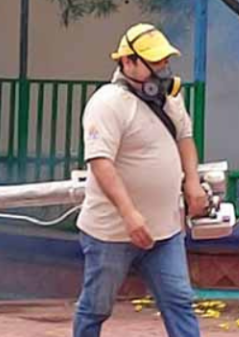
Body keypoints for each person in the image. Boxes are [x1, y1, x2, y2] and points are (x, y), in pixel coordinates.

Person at [73, 23, 208, 337]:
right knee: (96, 307)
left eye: (163, 60)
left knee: (179, 302)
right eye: (154, 61)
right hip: (112, 232)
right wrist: (129, 213)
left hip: (165, 229)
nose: (162, 68)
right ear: (128, 62)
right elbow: (100, 162)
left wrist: (192, 181)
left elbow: (185, 137)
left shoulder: (170, 96)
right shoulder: (107, 103)